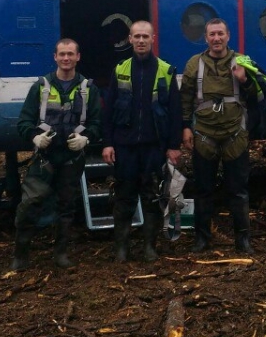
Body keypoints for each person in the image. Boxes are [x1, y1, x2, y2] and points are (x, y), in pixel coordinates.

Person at [12, 39, 100, 270]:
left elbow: (97, 123)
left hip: (71, 160)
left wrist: (87, 138)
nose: (66, 58)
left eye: (70, 54)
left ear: (78, 57)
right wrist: (34, 137)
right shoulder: (40, 87)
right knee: (30, 203)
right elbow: (24, 121)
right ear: (55, 57)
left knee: (66, 207)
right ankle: (20, 254)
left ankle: (61, 254)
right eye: (62, 54)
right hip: (44, 158)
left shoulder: (89, 88)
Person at [101, 21, 183, 262]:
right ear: (129, 39)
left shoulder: (167, 71)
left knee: (151, 198)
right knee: (124, 198)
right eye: (136, 36)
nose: (140, 40)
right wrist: (107, 143)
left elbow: (175, 112)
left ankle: (150, 247)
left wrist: (173, 146)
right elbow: (108, 113)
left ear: (153, 38)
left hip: (154, 146)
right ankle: (122, 250)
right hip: (125, 147)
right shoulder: (120, 69)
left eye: (145, 36)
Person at [180, 19, 261, 254]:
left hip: (235, 134)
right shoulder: (194, 64)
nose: (216, 38)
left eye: (220, 34)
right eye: (212, 34)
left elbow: (257, 96)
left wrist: (244, 80)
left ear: (228, 36)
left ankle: (243, 240)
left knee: (238, 190)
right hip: (204, 134)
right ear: (206, 38)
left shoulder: (243, 61)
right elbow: (185, 98)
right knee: (203, 189)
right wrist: (185, 127)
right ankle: (202, 239)